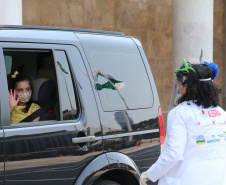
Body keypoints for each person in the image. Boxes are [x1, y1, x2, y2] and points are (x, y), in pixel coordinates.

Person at [140, 58, 226, 185]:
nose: (177, 85)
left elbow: (173, 153)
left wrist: (150, 174)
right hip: (217, 179)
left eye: (179, 82)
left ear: (187, 85)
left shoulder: (180, 113)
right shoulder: (220, 113)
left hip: (186, 179)